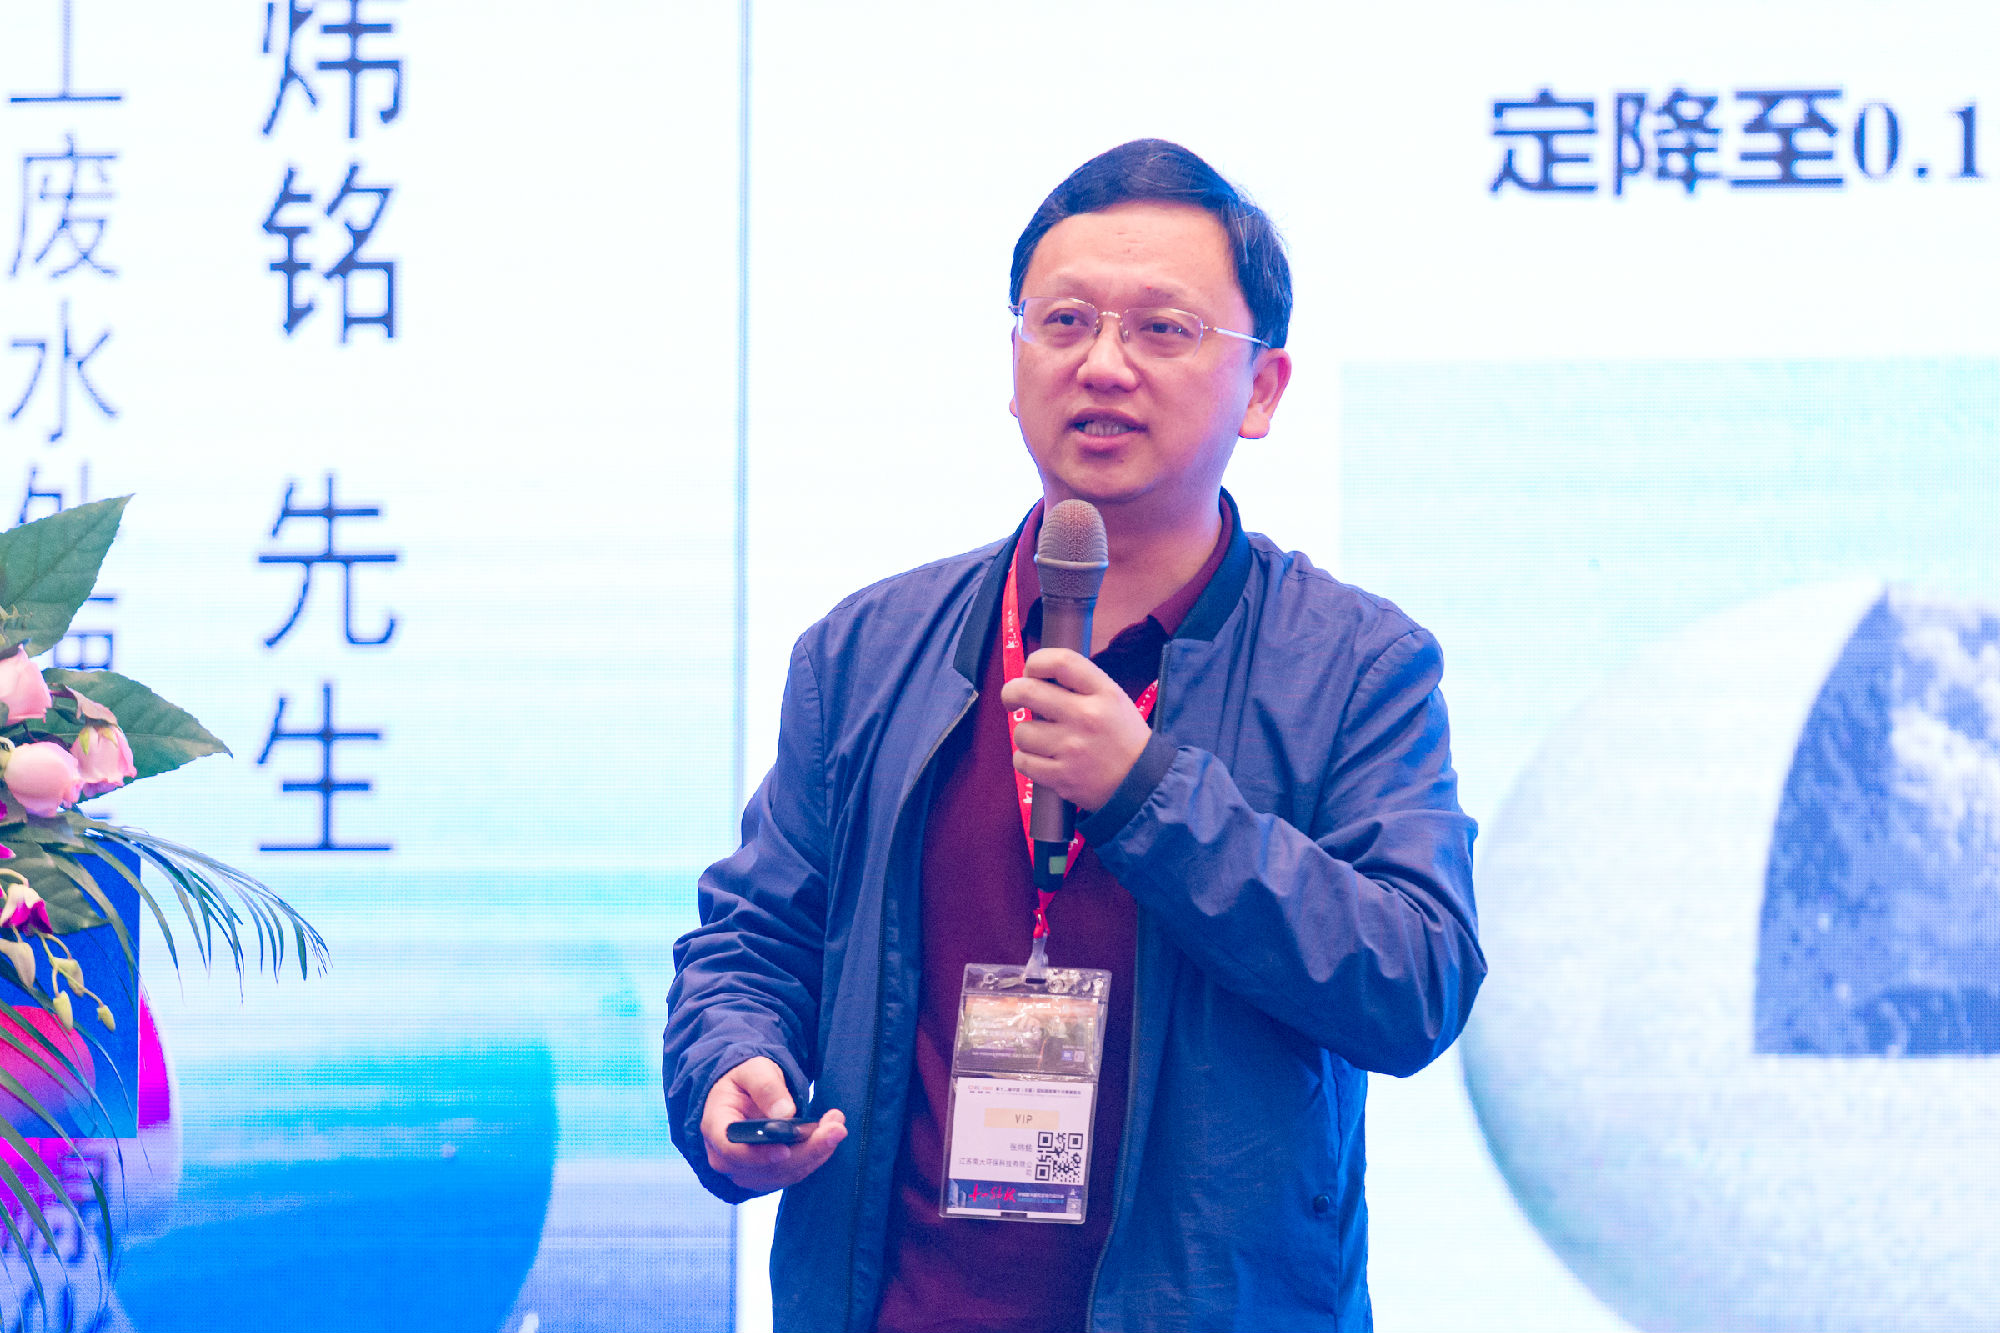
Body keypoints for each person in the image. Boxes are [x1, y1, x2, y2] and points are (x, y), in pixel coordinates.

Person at [664, 139, 1484, 1333]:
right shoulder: (864, 651)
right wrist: (729, 1059)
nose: (1102, 363)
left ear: (1262, 389)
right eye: (1063, 322)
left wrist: (1147, 792)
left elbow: (1413, 981)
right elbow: (756, 936)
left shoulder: (1358, 664)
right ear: (1014, 364)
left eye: (1161, 329)